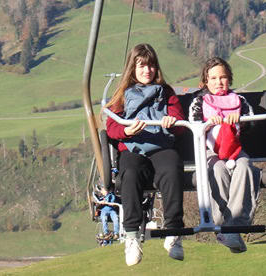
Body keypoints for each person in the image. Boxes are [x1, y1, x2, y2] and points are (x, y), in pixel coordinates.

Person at [105, 43, 186, 266]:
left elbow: (179, 121)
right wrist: (126, 131)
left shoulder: (166, 92)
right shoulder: (123, 94)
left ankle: (173, 232)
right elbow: (112, 127)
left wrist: (172, 123)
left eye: (150, 66)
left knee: (171, 168)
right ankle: (131, 236)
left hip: (160, 145)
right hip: (134, 146)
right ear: (133, 68)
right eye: (141, 66)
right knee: (129, 173)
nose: (147, 71)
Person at [188, 57, 259, 253]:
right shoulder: (199, 101)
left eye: (223, 78)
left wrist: (241, 121)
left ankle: (235, 226)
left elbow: (252, 124)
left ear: (229, 80)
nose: (219, 82)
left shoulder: (239, 101)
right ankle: (220, 223)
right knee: (217, 169)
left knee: (245, 167)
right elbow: (192, 126)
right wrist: (208, 123)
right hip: (211, 150)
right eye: (213, 78)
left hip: (234, 149)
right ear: (206, 81)